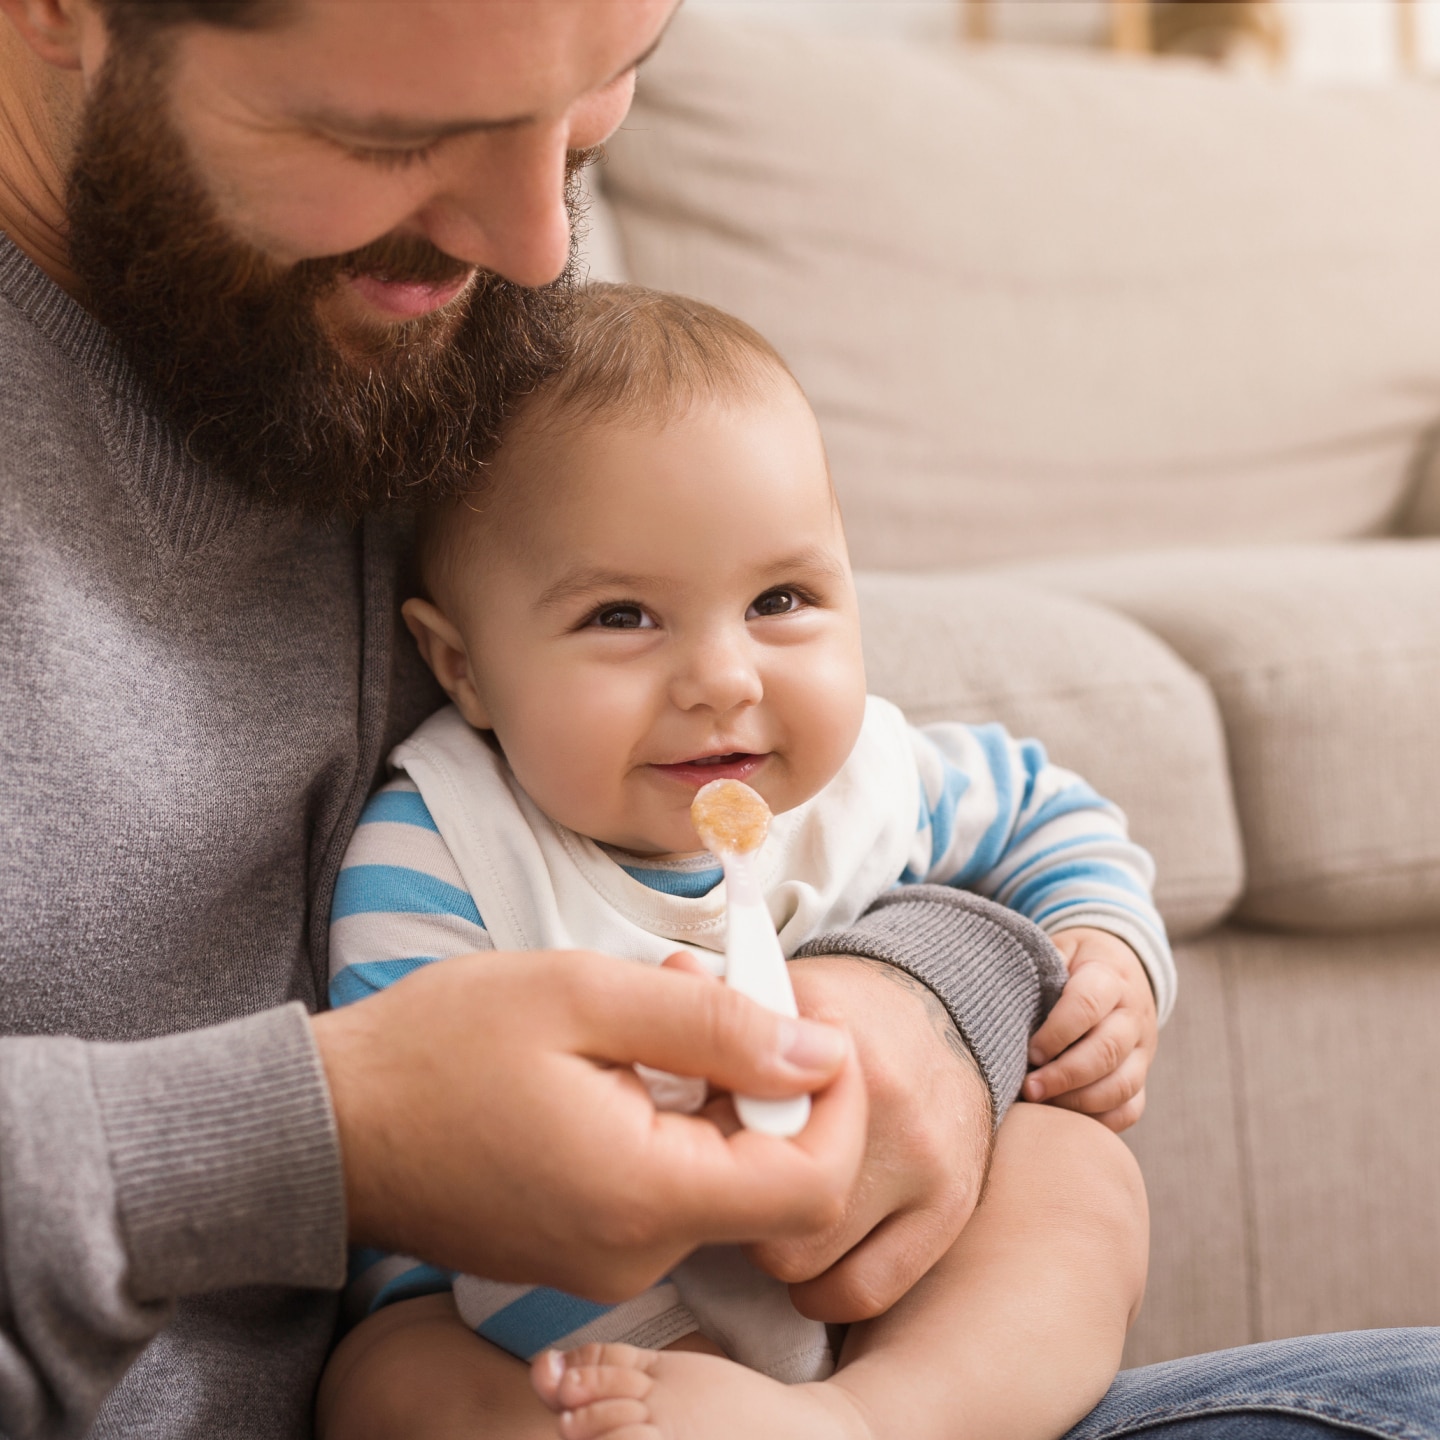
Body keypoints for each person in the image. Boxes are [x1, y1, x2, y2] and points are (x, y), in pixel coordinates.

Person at [0, 1, 1434, 1438]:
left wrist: (941, 988)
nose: (536, 252)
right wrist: (335, 1140)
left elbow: (902, 795)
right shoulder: (434, 836)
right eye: (396, 138)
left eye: (606, 88)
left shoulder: (456, 344)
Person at [317, 284, 1171, 1439]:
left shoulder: (869, 773)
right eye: (623, 617)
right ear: (463, 666)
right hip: (552, 1325)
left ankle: (881, 1421)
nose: (724, 679)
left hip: (876, 1308)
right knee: (387, 1375)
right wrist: (667, 1364)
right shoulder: (443, 849)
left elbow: (1045, 811)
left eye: (781, 599)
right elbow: (438, 1175)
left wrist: (1105, 947)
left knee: (1078, 1173)